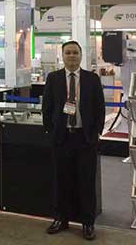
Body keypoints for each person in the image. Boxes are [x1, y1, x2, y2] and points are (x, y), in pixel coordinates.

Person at [42, 40, 105, 241]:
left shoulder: (92, 79)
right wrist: (51, 132)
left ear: (81, 55)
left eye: (75, 52)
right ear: (62, 56)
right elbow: (47, 108)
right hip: (62, 139)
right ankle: (61, 219)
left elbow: (100, 108)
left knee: (86, 182)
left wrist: (95, 133)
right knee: (61, 180)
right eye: (68, 52)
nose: (71, 56)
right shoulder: (53, 78)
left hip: (85, 139)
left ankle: (87, 223)